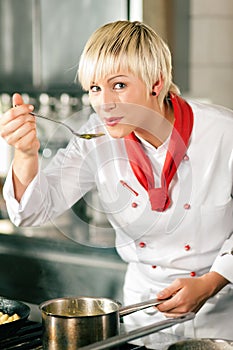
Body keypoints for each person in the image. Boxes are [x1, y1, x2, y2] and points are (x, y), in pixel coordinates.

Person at [1, 20, 233, 340]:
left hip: (220, 315)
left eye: (119, 85)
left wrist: (212, 282)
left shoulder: (223, 132)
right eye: (95, 88)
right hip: (143, 314)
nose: (104, 103)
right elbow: (30, 212)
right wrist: (26, 154)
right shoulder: (93, 138)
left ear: (156, 83)